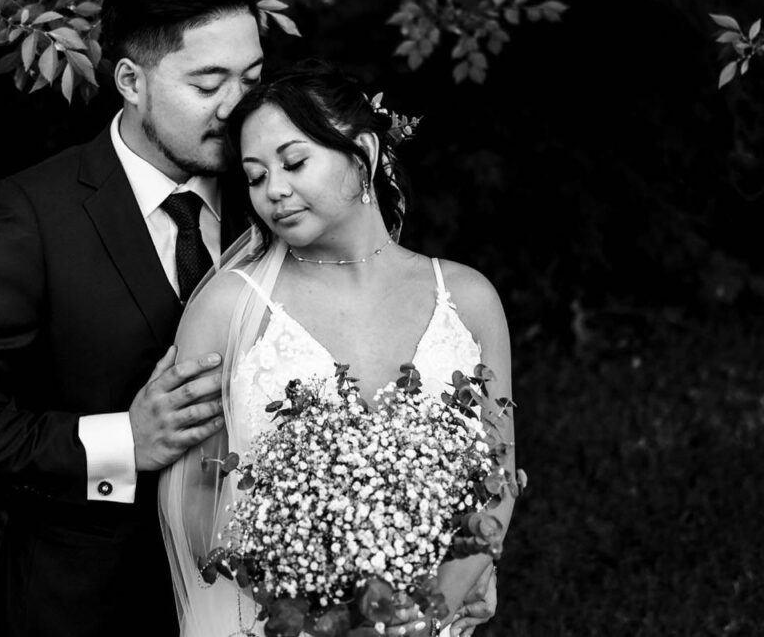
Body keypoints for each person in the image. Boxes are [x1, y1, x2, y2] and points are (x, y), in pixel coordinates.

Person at [0, 0, 268, 637]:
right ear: (131, 79)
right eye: (208, 82)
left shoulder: (276, 198)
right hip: (89, 608)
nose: (237, 106)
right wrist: (120, 439)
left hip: (260, 605)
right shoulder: (33, 213)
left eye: (251, 77)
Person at [158, 63, 515, 636]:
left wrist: (428, 615)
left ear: (364, 154)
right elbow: (193, 494)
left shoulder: (469, 298)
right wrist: (316, 614)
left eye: (294, 162)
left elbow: (496, 479)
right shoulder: (228, 308)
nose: (273, 190)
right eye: (254, 176)